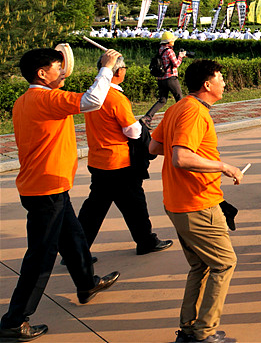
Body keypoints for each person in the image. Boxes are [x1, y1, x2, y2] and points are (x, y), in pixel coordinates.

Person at [0, 48, 123, 342]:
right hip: (46, 189)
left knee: (73, 235)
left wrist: (63, 61)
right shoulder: (47, 99)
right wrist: (106, 67)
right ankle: (14, 321)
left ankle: (86, 283)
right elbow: (92, 100)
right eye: (59, 68)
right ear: (42, 74)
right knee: (41, 257)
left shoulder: (26, 100)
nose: (64, 73)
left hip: (46, 185)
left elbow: (75, 93)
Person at [149, 59, 243, 343]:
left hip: (178, 202)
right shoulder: (194, 113)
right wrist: (222, 166)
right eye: (221, 78)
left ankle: (190, 328)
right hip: (197, 204)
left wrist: (197, 159)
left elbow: (154, 147)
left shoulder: (177, 107)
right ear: (207, 84)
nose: (224, 83)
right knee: (224, 263)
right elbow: (181, 157)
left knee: (201, 265)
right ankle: (204, 333)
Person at [77, 53, 173, 257]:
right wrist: (142, 127)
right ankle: (145, 241)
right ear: (119, 71)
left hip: (99, 159)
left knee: (95, 208)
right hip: (119, 161)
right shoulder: (116, 98)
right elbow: (133, 131)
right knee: (134, 203)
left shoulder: (93, 94)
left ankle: (76, 251)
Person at [143, 31, 187, 126]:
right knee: (179, 98)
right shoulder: (169, 51)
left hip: (161, 79)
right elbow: (176, 64)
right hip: (171, 78)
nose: (173, 42)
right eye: (172, 40)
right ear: (169, 42)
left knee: (162, 100)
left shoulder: (160, 50)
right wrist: (181, 56)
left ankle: (147, 118)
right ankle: (183, 119)